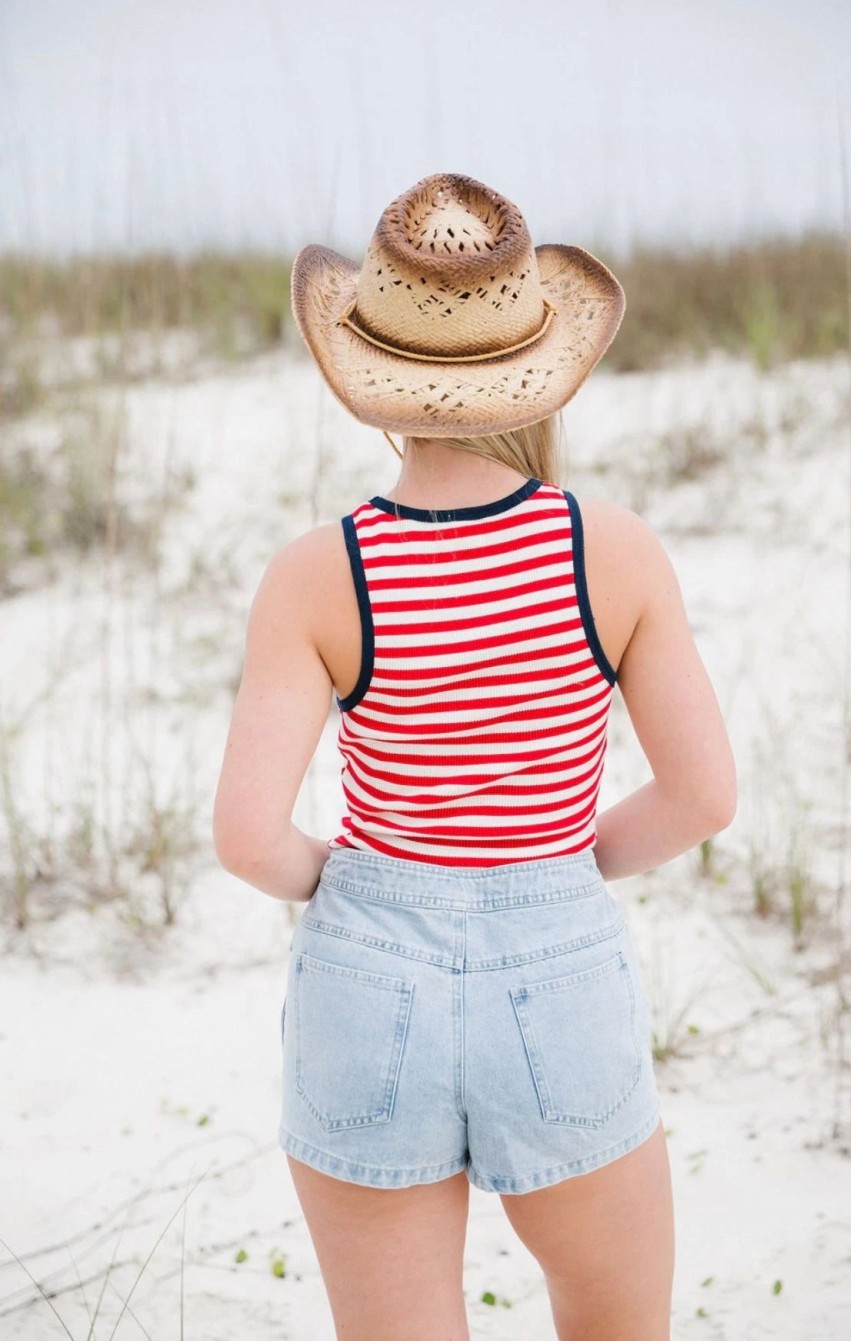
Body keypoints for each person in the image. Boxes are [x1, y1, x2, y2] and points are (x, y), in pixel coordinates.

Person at [212, 172, 737, 1341]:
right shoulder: (613, 550)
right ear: (540, 363)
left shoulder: (318, 571)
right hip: (558, 961)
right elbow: (706, 794)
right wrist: (559, 863)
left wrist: (352, 880)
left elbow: (248, 838)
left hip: (364, 969)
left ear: (374, 373)